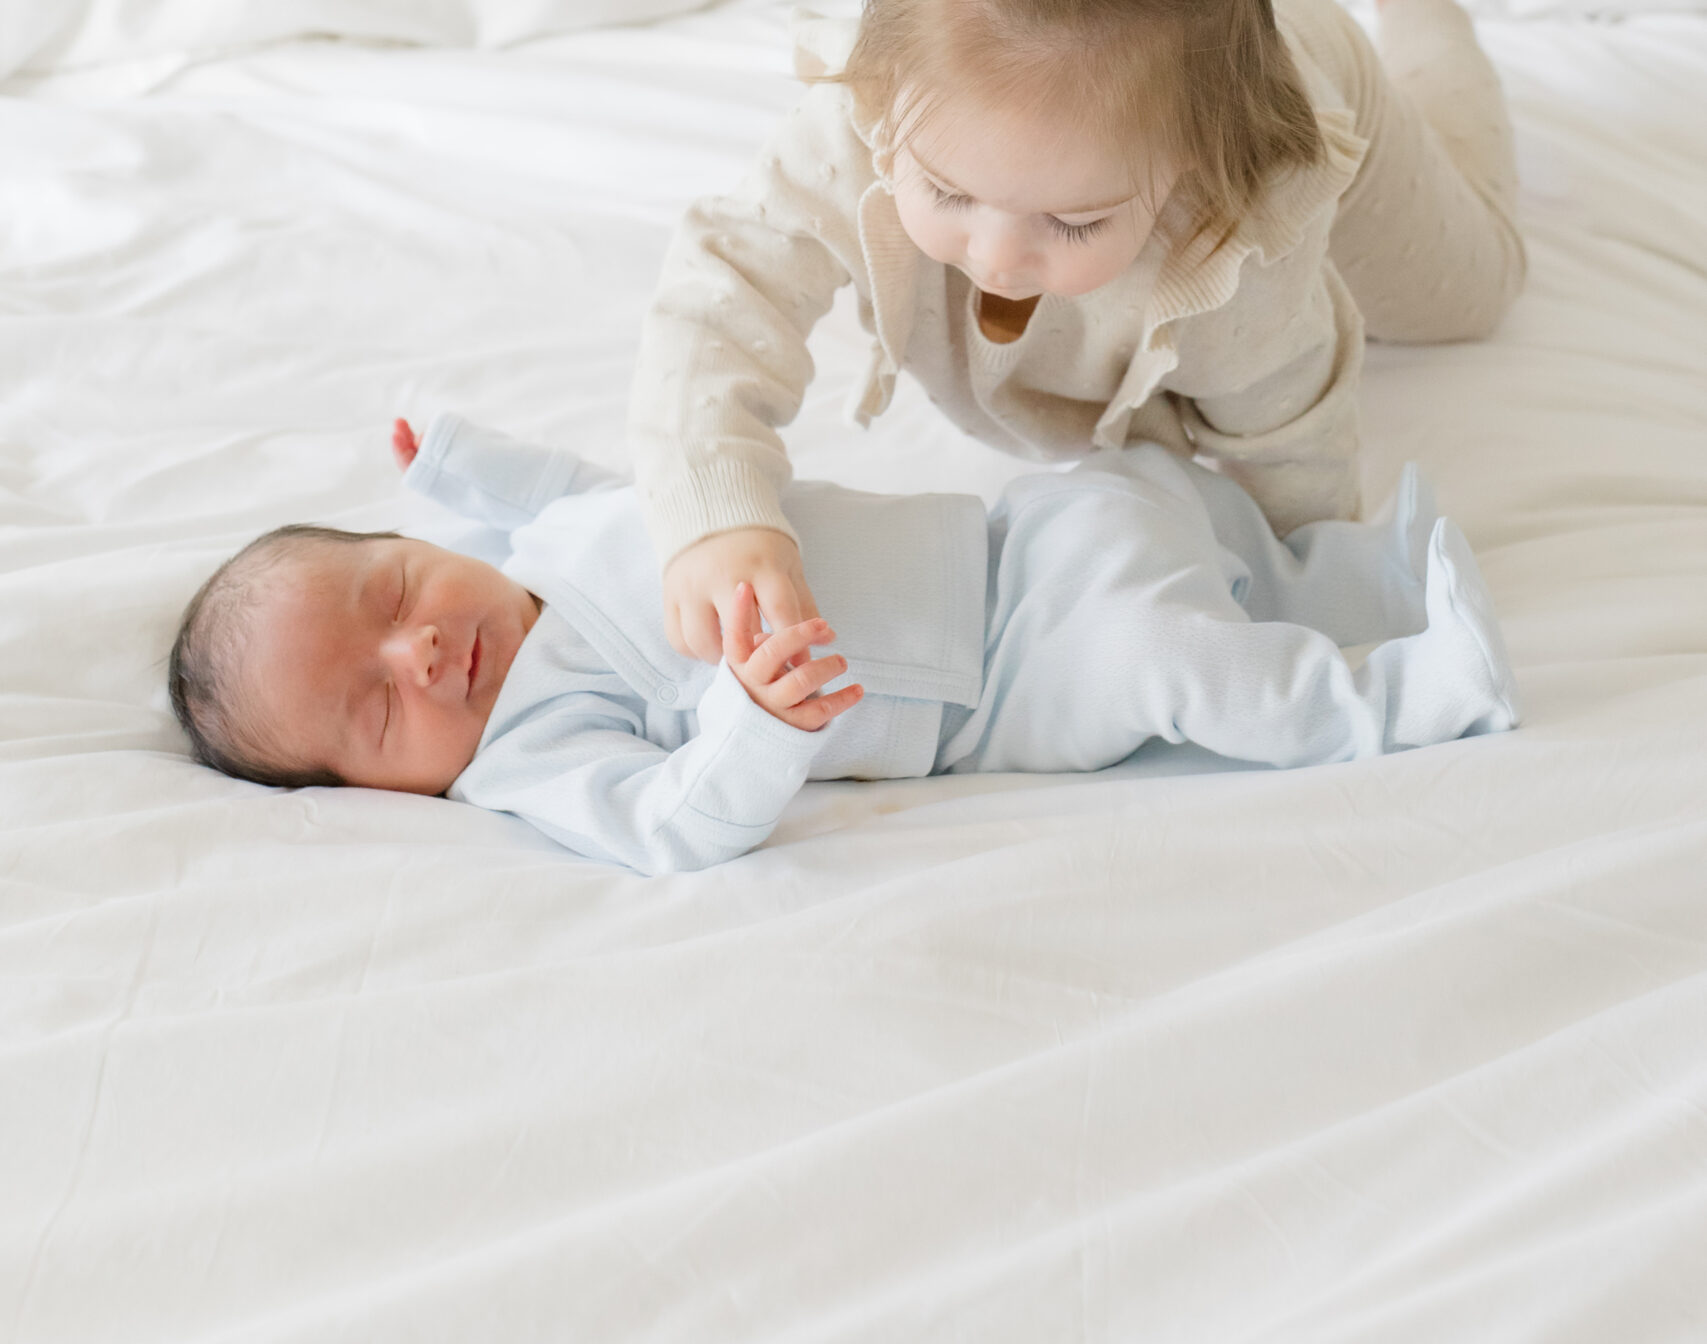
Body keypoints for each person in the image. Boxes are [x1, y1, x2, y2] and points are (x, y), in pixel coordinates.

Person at [629, 0, 1525, 664]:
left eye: (1073, 222)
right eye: (946, 192)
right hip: (1160, 60)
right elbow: (725, 290)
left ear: (1189, 168)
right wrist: (714, 511)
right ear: (883, 84)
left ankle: (1426, 25)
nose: (998, 259)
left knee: (1469, 297)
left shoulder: (1244, 223)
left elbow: (1290, 438)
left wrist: (1303, 593)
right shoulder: (859, 117)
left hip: (1303, 61)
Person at [165, 413, 1518, 877]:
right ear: (370, 793)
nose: (417, 654)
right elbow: (671, 826)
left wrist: (462, 462)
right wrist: (753, 720)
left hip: (999, 546)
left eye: (391, 590)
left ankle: (1354, 577)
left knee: (1144, 491)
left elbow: (595, 486)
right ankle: (1411, 692)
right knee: (1173, 665)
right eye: (374, 713)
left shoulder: (536, 555)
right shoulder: (529, 753)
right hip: (1002, 687)